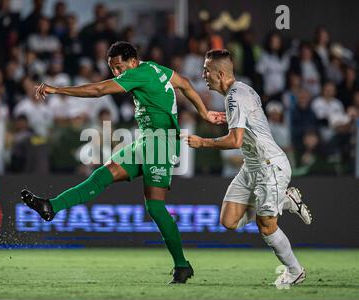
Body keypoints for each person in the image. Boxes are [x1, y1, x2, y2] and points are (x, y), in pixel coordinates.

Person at [20, 41, 226, 284]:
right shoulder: (154, 68)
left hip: (161, 142)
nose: (116, 73)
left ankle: (182, 265)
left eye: (119, 67)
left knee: (155, 207)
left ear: (132, 62)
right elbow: (185, 83)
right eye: (112, 68)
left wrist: (57, 90)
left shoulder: (138, 73)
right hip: (145, 140)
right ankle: (51, 207)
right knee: (101, 175)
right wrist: (203, 112)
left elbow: (98, 91)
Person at [185, 49, 312, 287]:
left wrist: (202, 142)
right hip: (251, 166)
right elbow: (253, 118)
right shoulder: (243, 90)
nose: (203, 74)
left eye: (206, 70)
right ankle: (286, 201)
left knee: (266, 226)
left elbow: (234, 141)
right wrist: (229, 117)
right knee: (229, 221)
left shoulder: (235, 97)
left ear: (220, 74)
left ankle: (295, 271)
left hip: (270, 166)